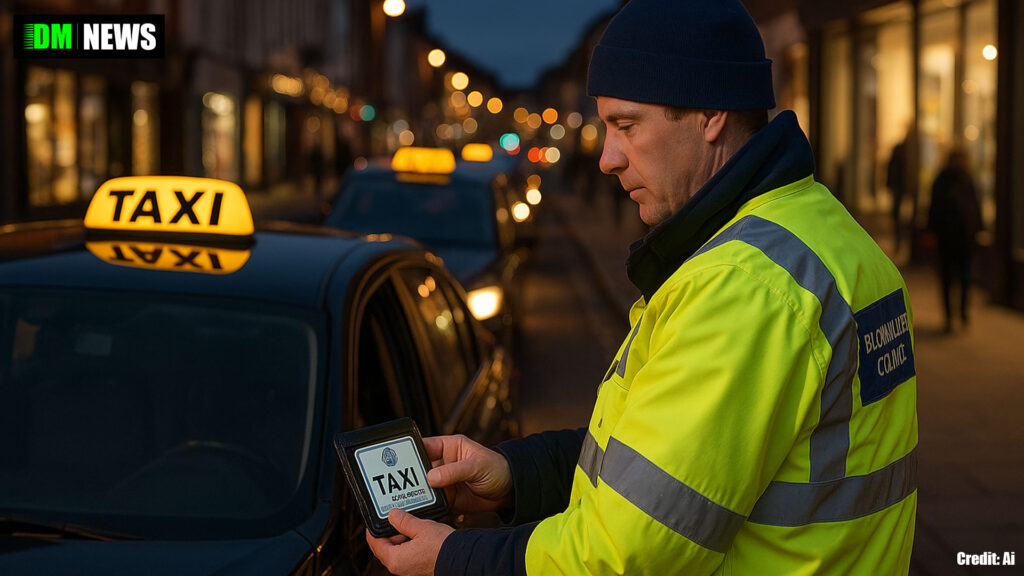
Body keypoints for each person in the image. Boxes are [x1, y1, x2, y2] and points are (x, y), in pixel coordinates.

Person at [367, 1, 919, 574]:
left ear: (710, 114)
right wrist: (517, 475)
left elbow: (627, 553)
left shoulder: (744, 286)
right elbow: (675, 466)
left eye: (626, 126)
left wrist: (453, 558)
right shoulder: (830, 236)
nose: (607, 158)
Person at [927, 149, 982, 332]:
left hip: (959, 237)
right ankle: (952, 315)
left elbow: (974, 206)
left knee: (960, 277)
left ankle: (959, 313)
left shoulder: (963, 180)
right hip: (951, 237)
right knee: (951, 278)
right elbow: (935, 209)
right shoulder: (947, 181)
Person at [887, 134, 910, 252]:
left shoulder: (900, 154)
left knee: (898, 216)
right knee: (899, 216)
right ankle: (899, 240)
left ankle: (899, 240)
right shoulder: (905, 156)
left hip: (898, 188)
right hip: (900, 188)